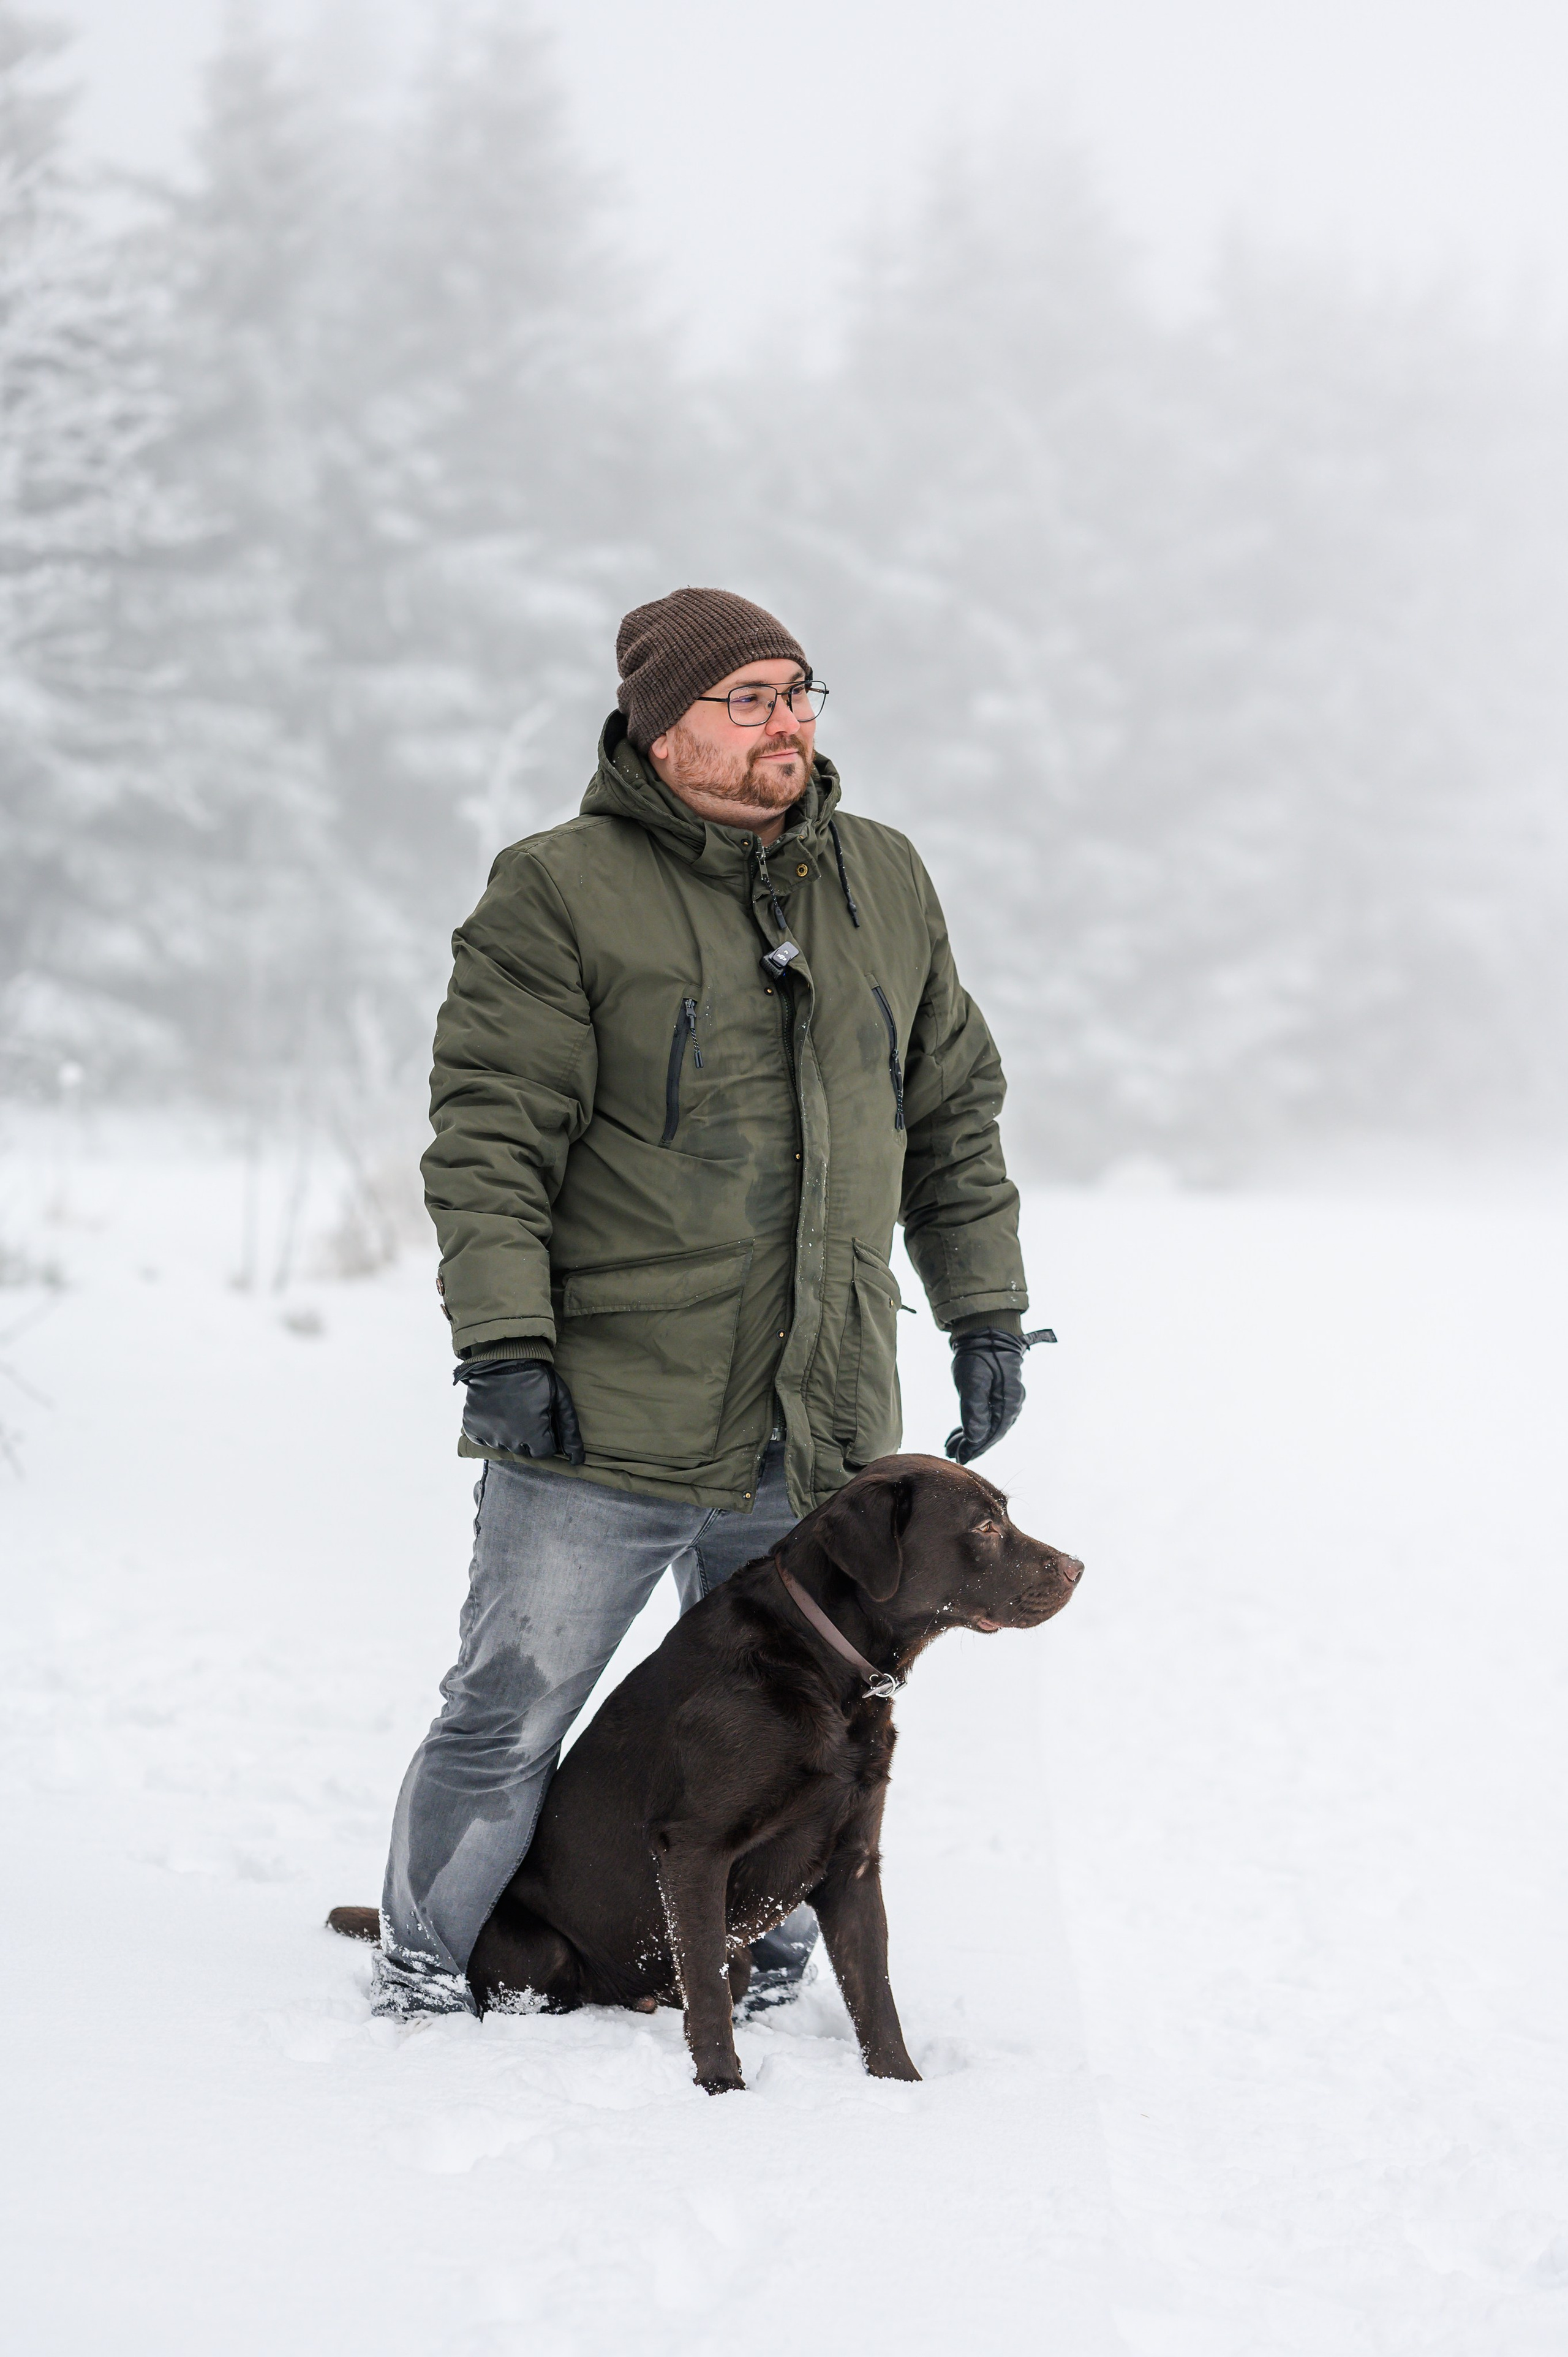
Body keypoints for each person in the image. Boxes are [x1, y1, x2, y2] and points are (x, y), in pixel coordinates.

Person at [374, 587, 1046, 2016]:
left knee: (814, 1708)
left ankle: (757, 1965)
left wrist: (982, 1307)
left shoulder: (880, 876)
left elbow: (950, 1109)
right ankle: (427, 1968)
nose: (785, 721)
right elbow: (491, 1135)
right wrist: (502, 1337)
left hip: (818, 1417)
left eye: (797, 691)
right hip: (601, 1411)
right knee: (507, 1712)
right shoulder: (557, 888)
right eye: (748, 698)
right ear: (660, 727)